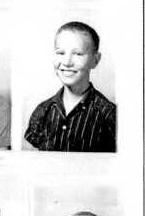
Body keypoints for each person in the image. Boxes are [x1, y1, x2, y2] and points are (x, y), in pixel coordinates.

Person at [25, 21, 115, 152]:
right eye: (60, 53)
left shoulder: (109, 116)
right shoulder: (42, 111)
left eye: (78, 54)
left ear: (95, 60)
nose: (67, 62)